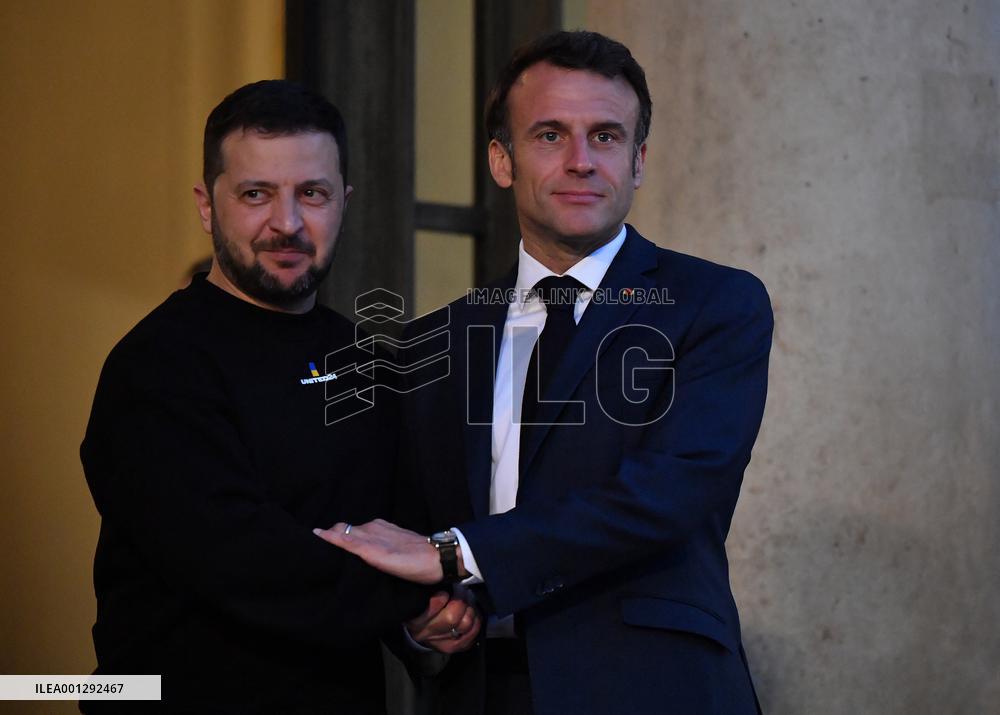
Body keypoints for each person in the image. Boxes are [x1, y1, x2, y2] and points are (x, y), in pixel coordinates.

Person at [315, 31, 772, 715]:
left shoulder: (715, 304)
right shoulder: (432, 342)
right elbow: (410, 533)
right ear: (502, 161)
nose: (581, 161)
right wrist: (420, 622)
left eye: (606, 137)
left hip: (652, 689)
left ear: (639, 161)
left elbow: (669, 492)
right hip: (480, 692)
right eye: (551, 135)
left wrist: (458, 553)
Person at [81, 80, 478, 713]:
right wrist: (420, 583)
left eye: (312, 194)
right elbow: (240, 558)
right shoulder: (156, 367)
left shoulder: (366, 360)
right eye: (256, 194)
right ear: (207, 205)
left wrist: (428, 619)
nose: (287, 223)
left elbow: (403, 529)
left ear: (344, 202)